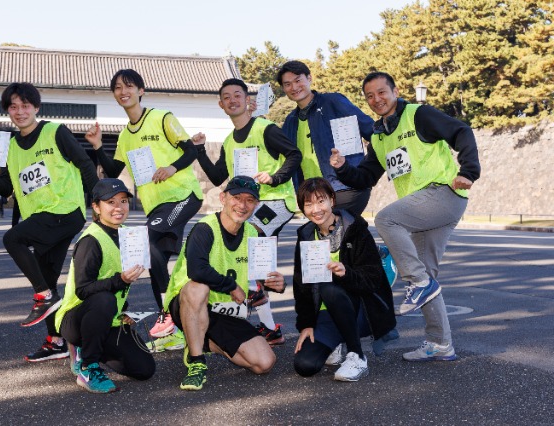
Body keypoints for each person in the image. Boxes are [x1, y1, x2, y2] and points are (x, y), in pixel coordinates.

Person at [331, 71, 481, 361]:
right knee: (426, 273)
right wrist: (342, 168)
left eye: (381, 92)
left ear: (395, 91)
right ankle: (440, 343)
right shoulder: (378, 136)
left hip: (443, 193)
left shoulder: (418, 115)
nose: (376, 99)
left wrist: (469, 171)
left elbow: (461, 131)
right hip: (421, 208)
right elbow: (366, 177)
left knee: (386, 219)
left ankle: (418, 282)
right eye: (370, 96)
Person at [0, 82, 99, 362]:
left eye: (25, 105)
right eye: (13, 107)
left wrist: (99, 200)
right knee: (48, 277)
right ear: (8, 111)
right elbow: (6, 189)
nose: (20, 112)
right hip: (40, 218)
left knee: (13, 239)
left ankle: (43, 295)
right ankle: (56, 342)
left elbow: (85, 164)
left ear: (36, 108)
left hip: (65, 211)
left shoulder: (55, 131)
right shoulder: (10, 146)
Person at [85, 69, 203, 350]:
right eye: (117, 88)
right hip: (156, 207)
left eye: (128, 86)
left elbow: (190, 150)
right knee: (154, 259)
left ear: (141, 90)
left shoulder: (162, 118)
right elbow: (113, 171)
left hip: (183, 195)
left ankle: (169, 316)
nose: (123, 91)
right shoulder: (125, 136)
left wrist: (171, 168)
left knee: (145, 242)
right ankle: (175, 327)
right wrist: (98, 146)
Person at [192, 78, 302, 346]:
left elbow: (294, 155)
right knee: (253, 257)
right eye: (226, 97)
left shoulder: (265, 129)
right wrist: (199, 150)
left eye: (237, 95)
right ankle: (269, 328)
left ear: (247, 100)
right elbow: (218, 176)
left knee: (250, 241)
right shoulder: (229, 141)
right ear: (221, 104)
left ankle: (257, 303)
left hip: (276, 200)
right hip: (251, 205)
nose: (232, 100)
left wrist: (275, 177)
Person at [163, 176, 286, 391]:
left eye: (249, 200)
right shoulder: (205, 228)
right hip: (190, 304)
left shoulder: (253, 233)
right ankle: (196, 361)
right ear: (223, 198)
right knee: (198, 287)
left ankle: (202, 341)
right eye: (236, 198)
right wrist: (231, 286)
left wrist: (276, 284)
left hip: (224, 309)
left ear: (256, 205)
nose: (242, 205)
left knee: (264, 363)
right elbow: (197, 270)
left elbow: (261, 277)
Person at [55, 178, 155, 394]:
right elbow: (83, 290)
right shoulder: (91, 240)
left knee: (144, 369)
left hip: (106, 316)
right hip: (76, 319)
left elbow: (115, 285)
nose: (119, 207)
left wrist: (123, 309)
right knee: (104, 300)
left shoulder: (128, 235)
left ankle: (88, 346)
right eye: (111, 202)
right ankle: (88, 366)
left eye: (123, 201)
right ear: (96, 207)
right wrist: (121, 280)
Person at [292, 178, 396, 381]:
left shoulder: (355, 229)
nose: (316, 209)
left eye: (321, 201)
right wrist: (306, 324)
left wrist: (347, 272)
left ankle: (357, 355)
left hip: (360, 311)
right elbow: (301, 286)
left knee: (329, 288)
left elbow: (373, 278)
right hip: (326, 314)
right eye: (309, 204)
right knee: (305, 365)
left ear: (332, 200)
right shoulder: (306, 235)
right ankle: (335, 342)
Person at [277, 60, 374, 216]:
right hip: (312, 193)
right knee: (335, 230)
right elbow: (280, 154)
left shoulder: (332, 102)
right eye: (287, 84)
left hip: (345, 187)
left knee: (335, 226)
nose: (294, 87)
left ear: (309, 78)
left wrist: (370, 168)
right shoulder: (291, 121)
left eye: (298, 80)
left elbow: (370, 129)